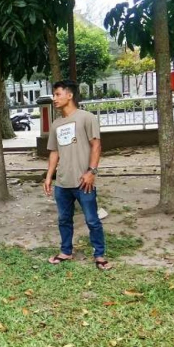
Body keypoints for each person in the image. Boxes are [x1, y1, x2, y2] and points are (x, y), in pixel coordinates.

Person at [43, 80, 112, 271]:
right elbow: (54, 152)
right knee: (64, 219)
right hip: (63, 182)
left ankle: (99, 254)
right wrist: (49, 176)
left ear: (69, 95)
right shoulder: (56, 124)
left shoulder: (86, 118)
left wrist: (92, 172)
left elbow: (96, 145)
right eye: (54, 95)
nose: (54, 98)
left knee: (92, 220)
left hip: (84, 181)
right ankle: (66, 251)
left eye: (57, 94)